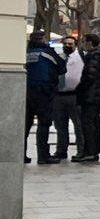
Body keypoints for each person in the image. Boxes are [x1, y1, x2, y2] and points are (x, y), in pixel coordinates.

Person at [74, 32, 100, 163]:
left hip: (89, 95)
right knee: (94, 123)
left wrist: (78, 85)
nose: (82, 44)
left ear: (90, 43)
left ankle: (90, 152)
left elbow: (89, 77)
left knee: (88, 124)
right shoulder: (98, 56)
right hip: (94, 95)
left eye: (84, 41)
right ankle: (93, 151)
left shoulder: (93, 58)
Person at [24, 29, 62, 164]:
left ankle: (22, 154)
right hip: (44, 92)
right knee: (44, 124)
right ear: (42, 39)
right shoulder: (47, 53)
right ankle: (43, 156)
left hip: (26, 92)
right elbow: (62, 67)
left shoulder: (25, 53)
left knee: (26, 125)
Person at [50, 35, 82, 164]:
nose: (68, 46)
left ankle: (81, 151)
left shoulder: (80, 58)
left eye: (71, 44)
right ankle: (61, 150)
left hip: (75, 95)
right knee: (60, 126)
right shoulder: (59, 58)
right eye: (66, 44)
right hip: (59, 96)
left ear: (75, 45)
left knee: (78, 125)